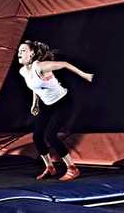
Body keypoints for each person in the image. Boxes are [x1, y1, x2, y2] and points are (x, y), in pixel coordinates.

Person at [17, 40, 93, 181]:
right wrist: (35, 103)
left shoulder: (40, 66)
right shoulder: (23, 71)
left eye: (23, 50)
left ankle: (72, 168)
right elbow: (35, 87)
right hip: (47, 105)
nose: (19, 53)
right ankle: (50, 168)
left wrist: (85, 75)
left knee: (50, 135)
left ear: (32, 53)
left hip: (62, 102)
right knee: (37, 136)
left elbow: (65, 64)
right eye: (19, 51)